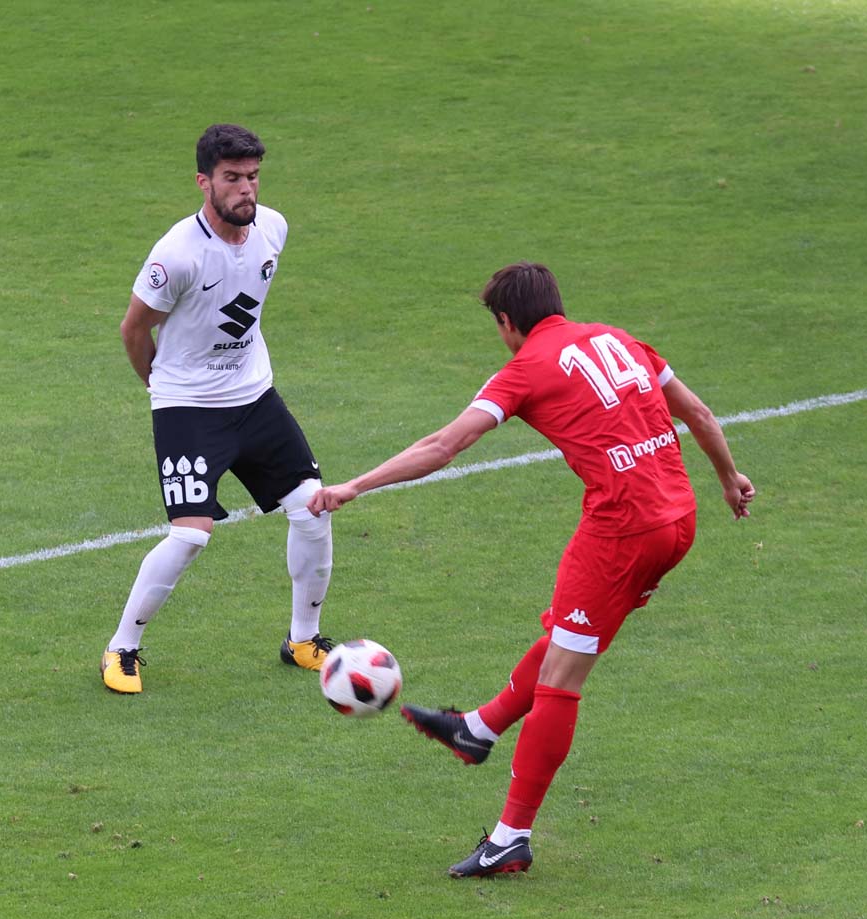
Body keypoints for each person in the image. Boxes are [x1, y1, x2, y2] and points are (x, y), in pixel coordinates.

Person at [308, 262, 754, 876]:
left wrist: (356, 485)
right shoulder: (622, 340)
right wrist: (730, 480)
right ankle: (479, 729)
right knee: (571, 637)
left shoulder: (525, 368)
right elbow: (698, 414)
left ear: (506, 322)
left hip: (619, 530)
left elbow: (445, 445)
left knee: (563, 678)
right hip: (677, 520)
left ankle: (510, 837)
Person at [100, 124, 335, 694]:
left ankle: (303, 639)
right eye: (232, 178)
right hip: (188, 408)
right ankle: (121, 649)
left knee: (314, 509)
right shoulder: (176, 255)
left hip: (255, 398)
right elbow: (134, 329)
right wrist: (161, 388)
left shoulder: (273, 229)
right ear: (204, 182)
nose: (246, 190)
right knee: (191, 534)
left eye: (252, 177)